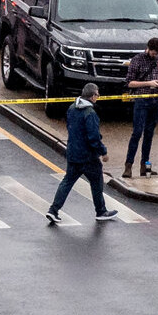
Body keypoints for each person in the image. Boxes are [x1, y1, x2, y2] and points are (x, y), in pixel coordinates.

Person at [45, 84, 118, 223]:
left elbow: (70, 128)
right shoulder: (90, 113)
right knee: (96, 182)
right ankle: (101, 211)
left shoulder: (72, 108)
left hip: (73, 154)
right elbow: (93, 137)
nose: (98, 97)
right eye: (97, 95)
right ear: (92, 96)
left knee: (67, 182)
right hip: (88, 157)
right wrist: (103, 152)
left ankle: (53, 210)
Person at [122, 37, 158, 178]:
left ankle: (145, 166)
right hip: (142, 100)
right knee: (137, 133)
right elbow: (129, 83)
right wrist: (149, 83)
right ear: (148, 48)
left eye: (157, 54)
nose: (156, 56)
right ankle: (128, 166)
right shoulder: (137, 60)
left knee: (149, 134)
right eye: (154, 53)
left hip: (156, 100)